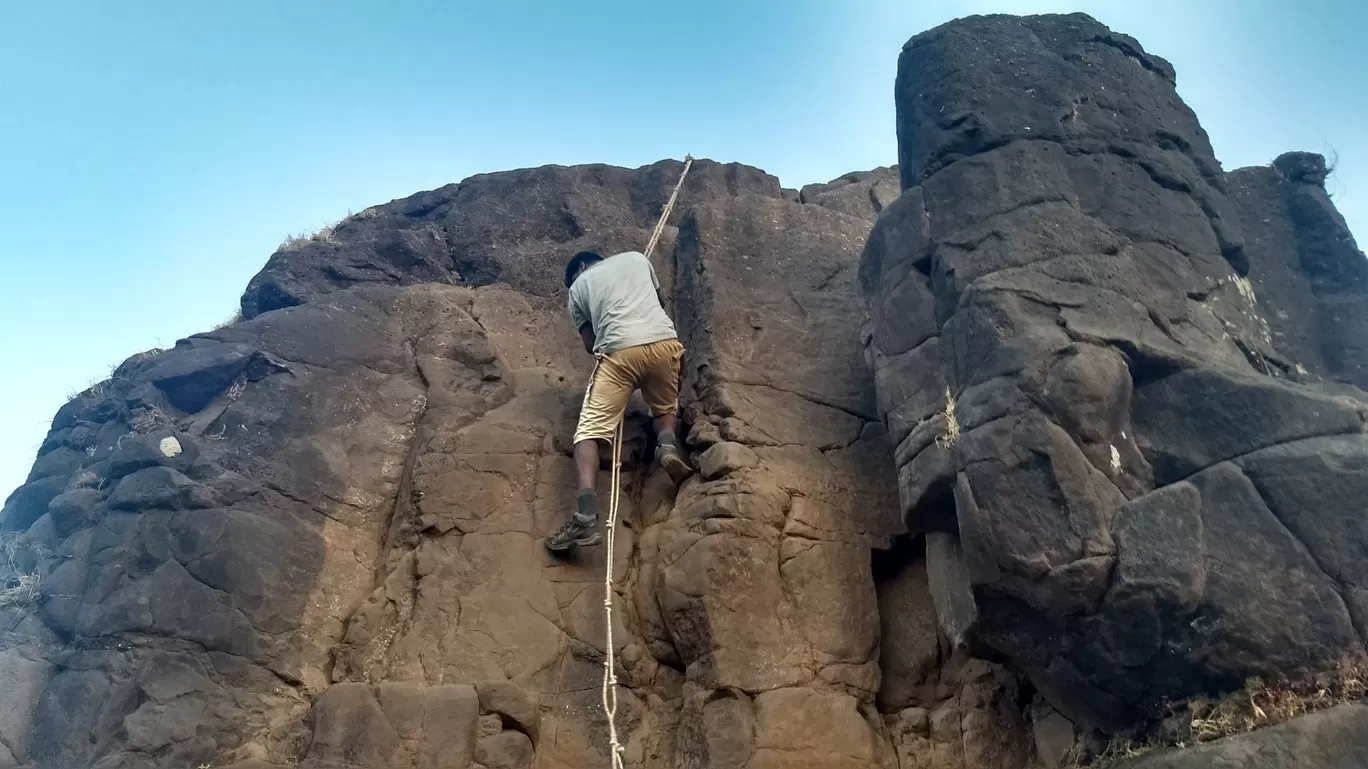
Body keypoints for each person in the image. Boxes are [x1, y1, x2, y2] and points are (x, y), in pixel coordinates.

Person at [545, 249, 691, 551]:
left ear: (581, 268)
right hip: (665, 343)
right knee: (665, 405)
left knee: (588, 433)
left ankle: (584, 518)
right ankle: (666, 445)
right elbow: (659, 304)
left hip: (619, 353)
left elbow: (590, 344)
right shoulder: (638, 258)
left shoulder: (577, 288)